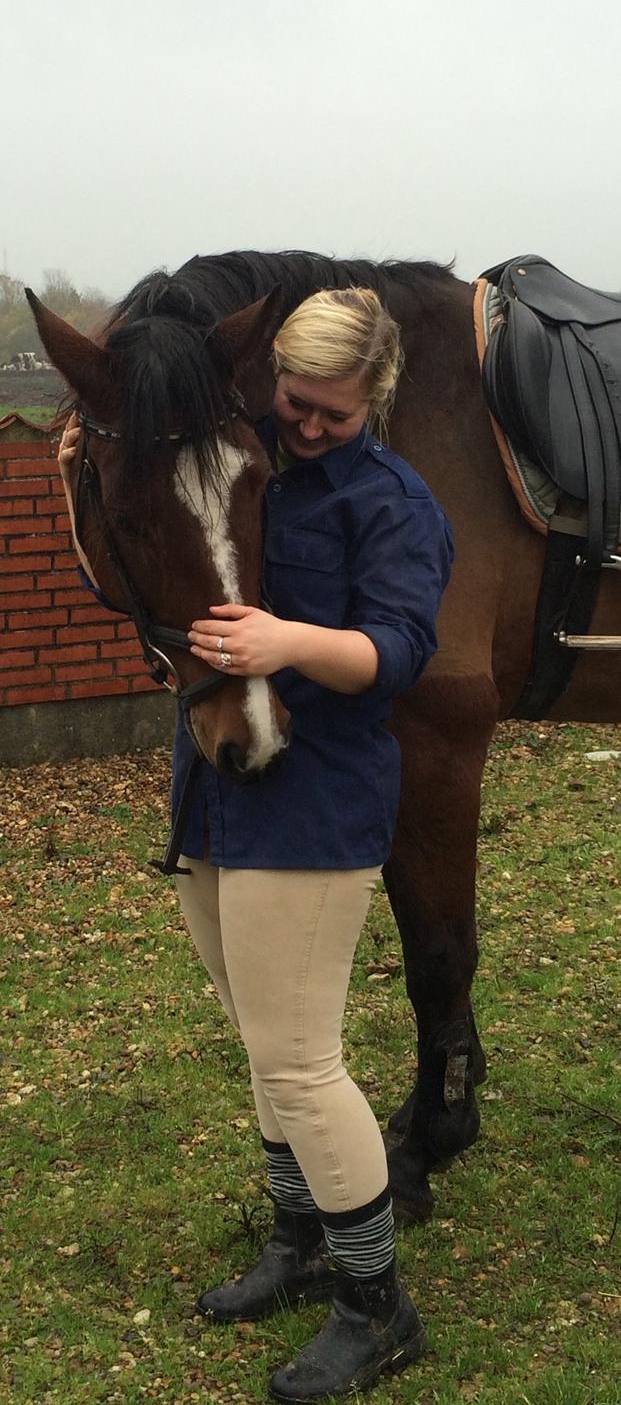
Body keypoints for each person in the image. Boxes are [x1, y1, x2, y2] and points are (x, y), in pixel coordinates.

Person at [59, 286, 453, 1401]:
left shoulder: (391, 499)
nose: (309, 427)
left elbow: (402, 652)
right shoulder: (231, 452)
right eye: (295, 403)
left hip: (316, 798)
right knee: (257, 1036)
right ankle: (299, 1236)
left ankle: (378, 1305)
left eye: (333, 411)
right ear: (265, 382)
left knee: (299, 1057)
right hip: (215, 790)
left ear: (372, 397)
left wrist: (289, 640)